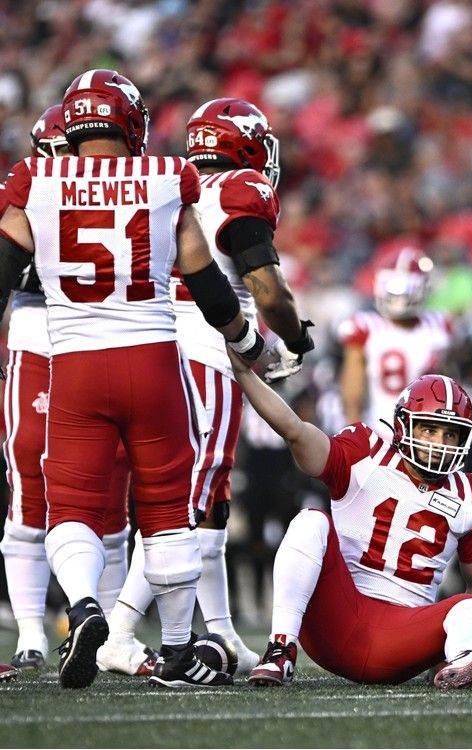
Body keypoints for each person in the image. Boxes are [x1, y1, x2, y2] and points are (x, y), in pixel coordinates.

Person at [0, 69, 264, 689]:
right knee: (168, 509)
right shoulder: (169, 175)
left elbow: (3, 274)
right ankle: (176, 647)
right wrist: (247, 339)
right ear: (131, 121)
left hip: (75, 367)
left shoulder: (35, 178)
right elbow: (206, 284)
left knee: (69, 508)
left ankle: (85, 608)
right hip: (153, 362)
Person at [96, 97, 314, 677]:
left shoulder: (170, 179)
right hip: (205, 348)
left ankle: (219, 631)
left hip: (150, 342)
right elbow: (266, 289)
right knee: (188, 500)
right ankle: (118, 630)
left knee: (211, 500)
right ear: (244, 143)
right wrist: (295, 337)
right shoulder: (242, 187)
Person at [231, 357, 472, 689]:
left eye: (450, 434)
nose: (438, 442)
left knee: (470, 607)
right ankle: (280, 649)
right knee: (311, 522)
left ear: (464, 438)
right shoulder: (365, 453)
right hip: (334, 618)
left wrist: (438, 647)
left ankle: (458, 663)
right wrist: (244, 374)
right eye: (428, 429)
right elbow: (294, 430)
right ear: (404, 426)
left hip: (401, 640)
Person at [0, 106, 135, 671]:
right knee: (29, 475)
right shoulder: (26, 185)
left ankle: (112, 634)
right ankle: (31, 631)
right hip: (38, 328)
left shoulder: (125, 186)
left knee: (113, 480)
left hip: (110, 329)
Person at [338, 247, 453, 432]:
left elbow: (353, 393)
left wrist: (354, 431)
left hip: (421, 430)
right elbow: (353, 392)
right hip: (396, 430)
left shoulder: (438, 323)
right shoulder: (438, 324)